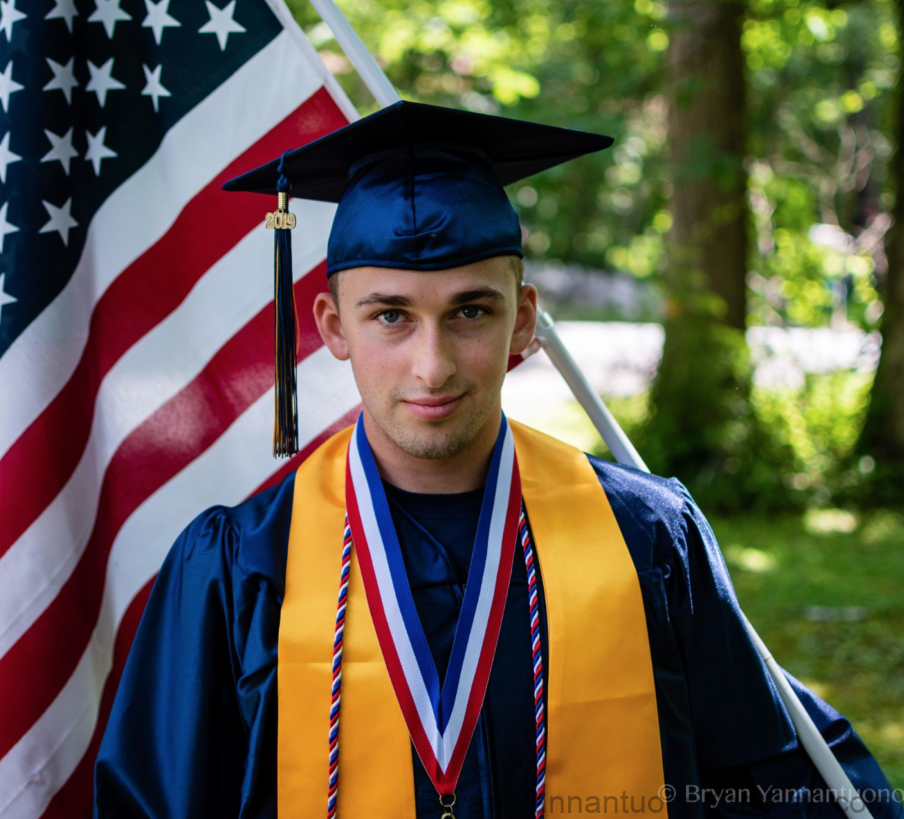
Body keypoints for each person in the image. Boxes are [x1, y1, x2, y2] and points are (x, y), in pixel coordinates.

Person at [92, 101, 901, 819]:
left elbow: (783, 777)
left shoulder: (646, 538)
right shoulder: (241, 572)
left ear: (524, 323)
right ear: (333, 326)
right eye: (391, 317)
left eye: (470, 311)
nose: (433, 365)